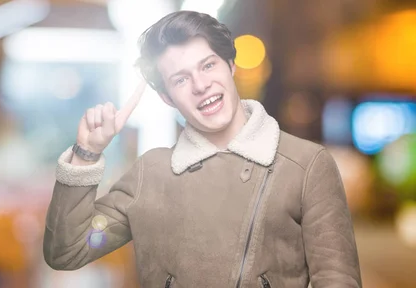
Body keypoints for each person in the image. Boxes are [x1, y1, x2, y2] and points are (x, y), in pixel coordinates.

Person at [43, 10, 362, 288]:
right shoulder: (151, 175)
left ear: (231, 65)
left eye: (208, 66)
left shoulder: (306, 166)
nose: (200, 85)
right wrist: (86, 153)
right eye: (181, 80)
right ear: (167, 98)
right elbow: (68, 249)